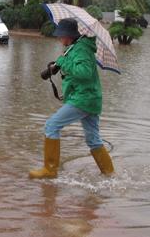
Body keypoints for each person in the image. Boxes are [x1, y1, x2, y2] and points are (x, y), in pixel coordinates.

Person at [29, 18, 113, 179]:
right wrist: (63, 62)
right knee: (93, 139)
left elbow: (84, 73)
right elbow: (77, 70)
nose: (59, 39)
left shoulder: (81, 50)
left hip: (83, 99)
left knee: (51, 126)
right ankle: (109, 175)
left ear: (68, 35)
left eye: (60, 36)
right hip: (91, 99)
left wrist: (63, 63)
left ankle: (49, 170)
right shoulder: (75, 48)